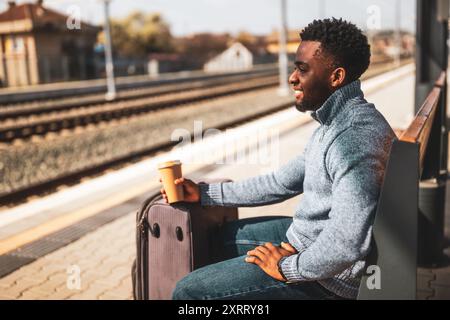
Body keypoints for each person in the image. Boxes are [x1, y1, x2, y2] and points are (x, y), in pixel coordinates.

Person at [160, 18, 396, 300]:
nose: (292, 77)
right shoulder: (334, 123)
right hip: (307, 241)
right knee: (216, 238)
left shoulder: (353, 138)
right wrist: (203, 193)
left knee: (188, 293)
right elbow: (281, 183)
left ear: (336, 77)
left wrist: (287, 267)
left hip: (329, 280)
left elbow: (346, 243)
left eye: (302, 69)